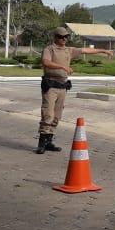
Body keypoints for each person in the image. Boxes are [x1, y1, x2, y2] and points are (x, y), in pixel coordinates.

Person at [37, 26, 73, 154]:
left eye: (66, 37)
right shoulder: (49, 49)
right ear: (55, 37)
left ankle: (49, 141)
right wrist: (63, 67)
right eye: (61, 37)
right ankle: (42, 142)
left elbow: (85, 50)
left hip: (62, 87)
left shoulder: (68, 50)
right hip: (50, 86)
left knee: (57, 116)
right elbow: (46, 62)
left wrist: (104, 51)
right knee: (48, 114)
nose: (64, 39)